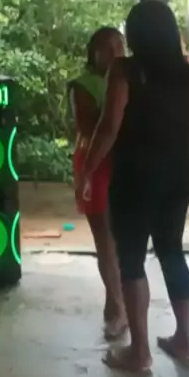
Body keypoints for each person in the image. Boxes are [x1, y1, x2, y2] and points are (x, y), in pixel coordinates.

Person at [80, 1, 189, 372]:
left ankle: (139, 353)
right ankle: (184, 341)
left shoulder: (124, 70)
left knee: (132, 258)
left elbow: (109, 126)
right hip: (178, 171)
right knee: (172, 252)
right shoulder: (184, 72)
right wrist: (168, 130)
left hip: (135, 175)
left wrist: (87, 170)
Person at [71, 27, 127, 340]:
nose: (116, 53)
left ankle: (115, 302)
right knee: (105, 239)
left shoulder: (128, 79)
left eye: (120, 45)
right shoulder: (84, 85)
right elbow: (92, 128)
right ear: (94, 53)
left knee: (120, 239)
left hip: (122, 163)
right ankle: (118, 308)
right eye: (109, 47)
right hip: (95, 161)